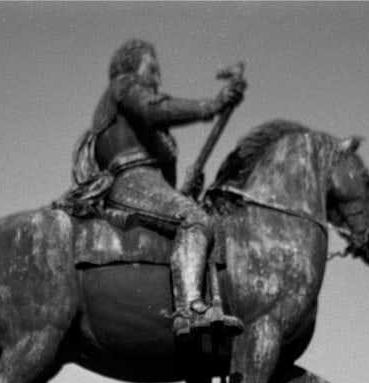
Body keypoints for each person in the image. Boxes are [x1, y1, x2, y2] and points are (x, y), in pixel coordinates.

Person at [62, 39, 246, 342]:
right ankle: (189, 310)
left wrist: (187, 190)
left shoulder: (143, 118)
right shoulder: (125, 85)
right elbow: (151, 110)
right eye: (152, 68)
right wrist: (211, 106)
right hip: (131, 180)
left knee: (192, 213)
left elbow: (165, 181)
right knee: (194, 220)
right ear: (131, 66)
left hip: (148, 182)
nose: (157, 77)